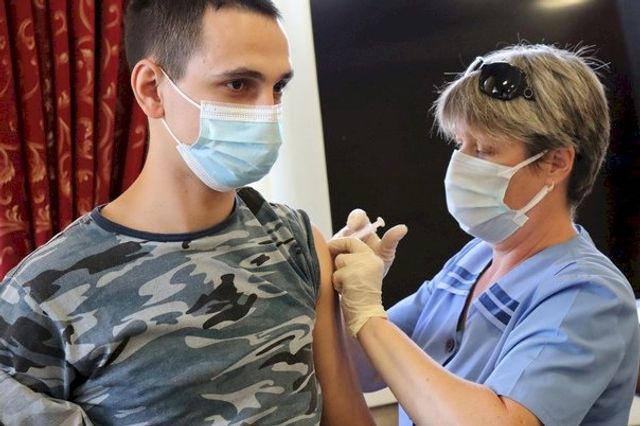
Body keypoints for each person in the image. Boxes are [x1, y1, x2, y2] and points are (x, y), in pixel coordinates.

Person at [0, 1, 374, 424]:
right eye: (238, 84)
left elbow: (346, 414)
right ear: (152, 89)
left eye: (278, 87)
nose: (267, 110)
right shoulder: (42, 295)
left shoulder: (295, 240)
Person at [329, 44, 640, 426]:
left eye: (484, 150)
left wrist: (369, 316)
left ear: (555, 162)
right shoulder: (473, 260)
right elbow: (364, 369)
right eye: (461, 144)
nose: (460, 164)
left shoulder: (589, 294)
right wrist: (345, 298)